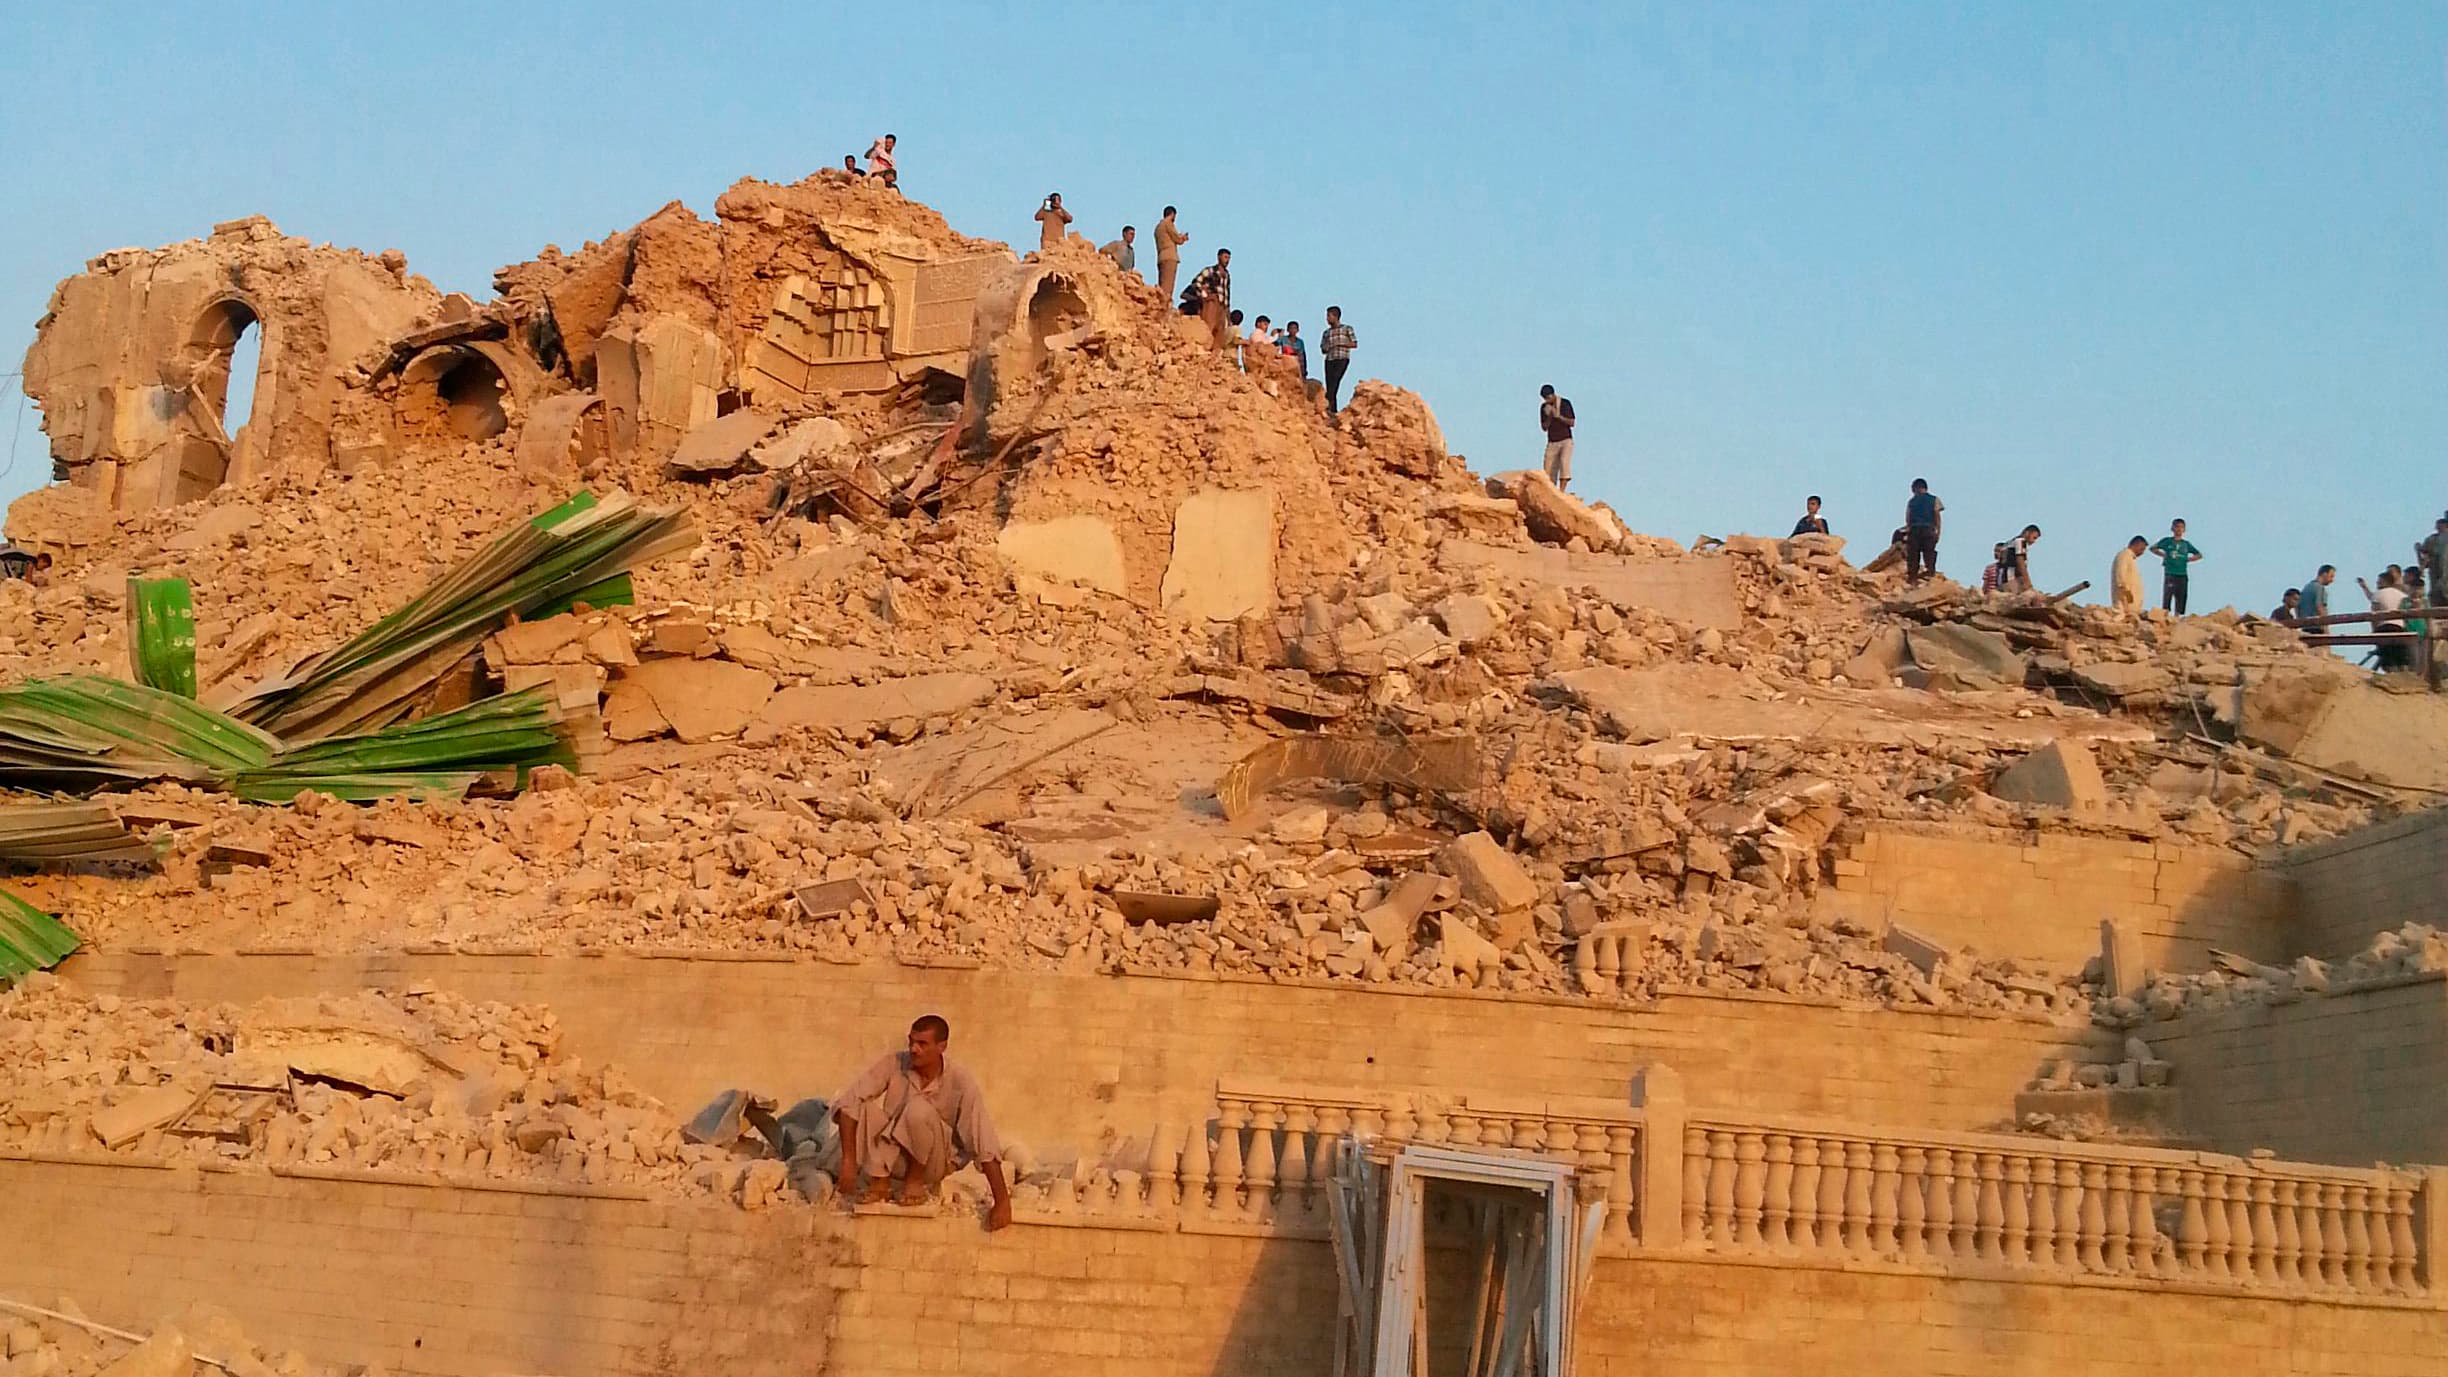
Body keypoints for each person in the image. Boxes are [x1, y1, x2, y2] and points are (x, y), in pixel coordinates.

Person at [833, 1015, 1013, 1230]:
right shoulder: (896, 1063)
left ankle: (914, 1182)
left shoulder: (960, 1080)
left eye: (922, 1044)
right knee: (862, 1108)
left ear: (941, 1047)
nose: (914, 1049)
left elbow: (982, 1140)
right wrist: (848, 1161)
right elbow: (849, 1101)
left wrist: (1002, 1201)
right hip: (895, 1158)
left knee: (918, 1109)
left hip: (933, 1164)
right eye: (911, 1042)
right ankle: (880, 1181)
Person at [2149, 519, 2203, 615]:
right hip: (2170, 572)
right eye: (2177, 527)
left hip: (2182, 573)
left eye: (2181, 527)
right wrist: (2163, 555)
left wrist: (2189, 559)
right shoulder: (2167, 541)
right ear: (2172, 528)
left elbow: (2199, 555)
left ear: (2184, 530)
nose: (2179, 529)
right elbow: (2153, 548)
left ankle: (2177, 616)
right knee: (2168, 595)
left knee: (2181, 596)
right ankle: (2165, 615)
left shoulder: (2186, 544)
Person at [2363, 571, 2413, 671]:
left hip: (2383, 627)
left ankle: (2391, 680)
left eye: (2379, 582)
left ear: (2385, 582)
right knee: (2400, 657)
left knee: (2387, 658)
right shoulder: (2402, 595)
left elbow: (2374, 613)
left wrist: (2374, 631)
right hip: (2400, 628)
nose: (2377, 584)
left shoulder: (2378, 594)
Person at [1188, 249, 1233, 350]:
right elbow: (1196, 282)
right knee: (1208, 327)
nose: (1227, 260)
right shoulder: (1210, 271)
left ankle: (1214, 356)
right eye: (1225, 257)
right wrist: (1204, 296)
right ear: (1219, 257)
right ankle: (1202, 350)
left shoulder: (1227, 275)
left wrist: (1228, 314)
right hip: (1212, 303)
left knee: (1220, 332)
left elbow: (1227, 294)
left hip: (1222, 306)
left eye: (1229, 258)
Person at [1902, 479, 1943, 585]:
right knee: (1929, 553)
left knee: (1913, 555)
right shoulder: (1934, 500)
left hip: (1915, 530)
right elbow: (1937, 516)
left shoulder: (1911, 502)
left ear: (1916, 488)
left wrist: (1907, 531)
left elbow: (1908, 518)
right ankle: (1930, 573)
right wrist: (1938, 531)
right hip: (1928, 530)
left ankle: (1913, 578)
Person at [1537, 385, 1576, 491]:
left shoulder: (1565, 403)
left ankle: (1562, 491)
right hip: (1552, 441)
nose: (1547, 400)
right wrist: (1549, 416)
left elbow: (1572, 422)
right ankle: (1551, 491)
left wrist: (1558, 416)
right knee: (1548, 470)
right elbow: (1544, 427)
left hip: (1566, 440)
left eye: (1548, 398)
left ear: (1553, 395)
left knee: (1564, 464)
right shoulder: (1544, 408)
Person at [1320, 307, 1358, 415]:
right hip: (1330, 359)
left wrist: (1340, 344)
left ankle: (1330, 407)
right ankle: (1332, 409)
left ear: (1335, 316)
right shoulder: (1327, 333)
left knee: (1335, 381)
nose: (1327, 319)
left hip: (1342, 358)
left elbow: (1354, 344)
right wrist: (1326, 347)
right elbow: (1323, 348)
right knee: (1330, 383)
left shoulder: (1347, 329)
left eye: (1329, 316)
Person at [1153, 206, 1189, 303]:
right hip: (1170, 257)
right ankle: (1164, 306)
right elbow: (1177, 238)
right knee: (1167, 287)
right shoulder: (1168, 223)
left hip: (1161, 256)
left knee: (1162, 284)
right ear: (1172, 214)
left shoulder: (1158, 227)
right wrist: (1183, 238)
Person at [1996, 524, 2041, 594]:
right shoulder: (2021, 541)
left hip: (2001, 579)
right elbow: (2020, 562)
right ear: (2027, 533)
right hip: (2011, 579)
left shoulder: (2009, 542)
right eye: (2034, 537)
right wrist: (2028, 582)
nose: (2034, 541)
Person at [2110, 536, 2148, 614]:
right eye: (2142, 549)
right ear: (2136, 545)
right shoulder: (2124, 555)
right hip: (2124, 606)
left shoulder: (2129, 558)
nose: (2142, 553)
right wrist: (2126, 592)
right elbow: (2120, 575)